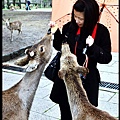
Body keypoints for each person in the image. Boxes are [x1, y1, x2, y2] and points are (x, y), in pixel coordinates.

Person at [48, 0, 112, 119]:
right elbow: (60, 47)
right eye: (75, 16)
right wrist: (56, 32)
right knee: (65, 112)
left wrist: (93, 47)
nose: (77, 21)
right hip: (66, 80)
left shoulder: (101, 32)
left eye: (81, 18)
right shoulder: (69, 27)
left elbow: (107, 58)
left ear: (90, 16)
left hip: (87, 81)